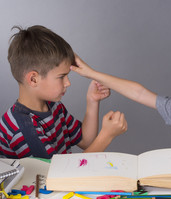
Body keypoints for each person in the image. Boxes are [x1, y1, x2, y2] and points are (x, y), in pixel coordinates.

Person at [0, 25, 127, 159]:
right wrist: (106, 136)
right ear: (33, 79)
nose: (68, 83)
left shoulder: (54, 107)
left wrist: (92, 100)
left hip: (59, 178)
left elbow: (86, 141)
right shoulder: (22, 129)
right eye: (61, 77)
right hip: (51, 179)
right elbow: (58, 176)